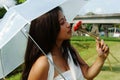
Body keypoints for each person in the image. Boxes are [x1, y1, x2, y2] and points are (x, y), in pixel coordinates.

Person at [21, 6, 109, 80]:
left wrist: (101, 58)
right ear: (50, 30)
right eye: (62, 22)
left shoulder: (70, 50)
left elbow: (87, 73)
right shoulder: (43, 64)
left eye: (65, 20)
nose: (68, 24)